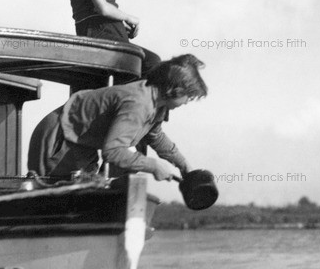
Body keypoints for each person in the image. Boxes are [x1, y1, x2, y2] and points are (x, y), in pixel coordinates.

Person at [27, 54, 207, 181]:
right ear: (173, 89)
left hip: (82, 142)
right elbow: (112, 151)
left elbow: (156, 136)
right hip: (61, 136)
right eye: (188, 96)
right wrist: (153, 166)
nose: (187, 102)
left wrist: (184, 166)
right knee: (59, 197)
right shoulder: (138, 103)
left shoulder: (157, 104)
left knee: (85, 193)